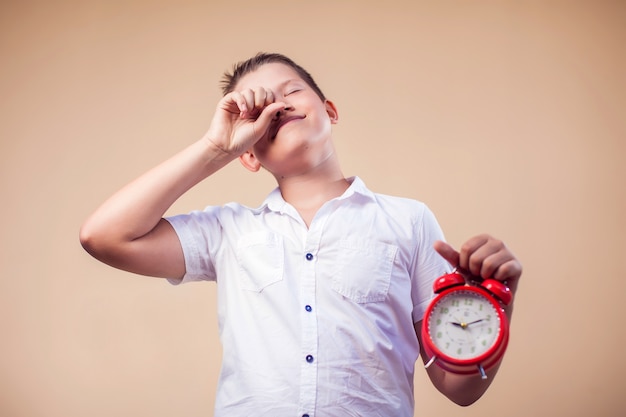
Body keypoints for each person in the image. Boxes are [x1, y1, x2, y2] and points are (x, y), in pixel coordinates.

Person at [79, 52, 522, 417]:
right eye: (259, 108)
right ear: (248, 156)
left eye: (291, 91)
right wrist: (216, 148)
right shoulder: (227, 231)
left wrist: (494, 304)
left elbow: (459, 390)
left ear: (329, 111)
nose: (278, 106)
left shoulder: (409, 221)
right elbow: (104, 236)